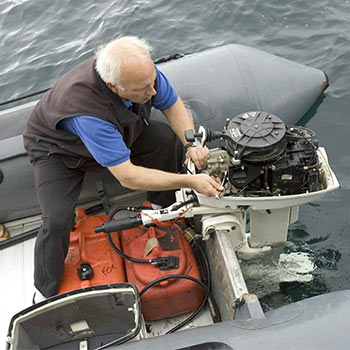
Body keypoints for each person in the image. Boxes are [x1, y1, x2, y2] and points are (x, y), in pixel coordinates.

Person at [23, 36, 224, 299]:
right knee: (57, 219)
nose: (152, 92)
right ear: (114, 87)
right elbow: (127, 177)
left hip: (116, 133)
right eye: (143, 89)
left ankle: (162, 212)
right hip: (58, 152)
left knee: (164, 138)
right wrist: (189, 182)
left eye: (152, 83)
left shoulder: (142, 76)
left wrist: (190, 144)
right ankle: (47, 290)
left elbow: (172, 104)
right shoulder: (89, 113)